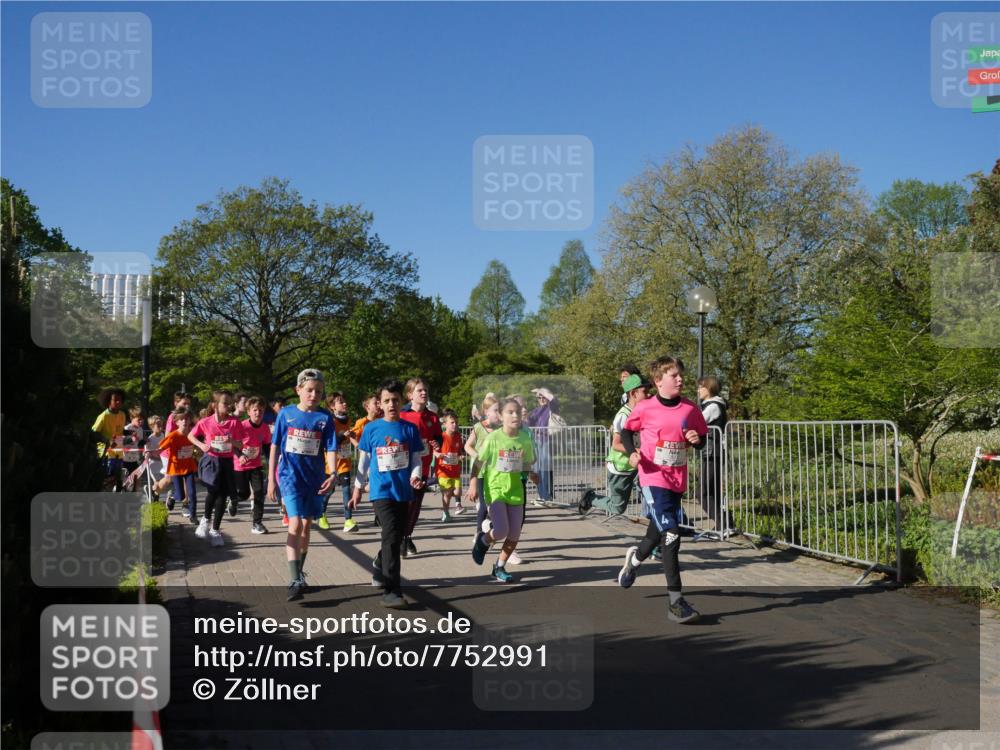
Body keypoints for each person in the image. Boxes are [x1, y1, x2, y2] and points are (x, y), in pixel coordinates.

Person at [616, 356, 708, 624]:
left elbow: (701, 438)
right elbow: (625, 432)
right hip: (652, 478)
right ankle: (676, 603)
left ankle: (634, 562)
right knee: (671, 534)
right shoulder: (645, 408)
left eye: (680, 375)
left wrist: (696, 440)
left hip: (676, 480)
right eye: (673, 375)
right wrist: (632, 453)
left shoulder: (690, 408)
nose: (680, 379)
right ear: (658, 381)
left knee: (654, 535)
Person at [349, 379, 424, 609]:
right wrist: (357, 488)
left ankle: (379, 564)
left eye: (395, 400)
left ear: (402, 401)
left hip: (403, 491)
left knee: (396, 537)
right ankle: (392, 591)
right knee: (391, 535)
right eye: (387, 400)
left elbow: (416, 459)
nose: (392, 404)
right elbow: (364, 461)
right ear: (380, 404)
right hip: (381, 491)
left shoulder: (409, 429)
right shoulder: (372, 429)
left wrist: (415, 475)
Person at [267, 370, 338, 601]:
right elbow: (274, 446)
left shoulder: (325, 418)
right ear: (298, 390)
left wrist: (333, 473)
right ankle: (294, 579)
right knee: (295, 523)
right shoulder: (286, 414)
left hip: (314, 480)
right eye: (309, 390)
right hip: (289, 477)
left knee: (306, 527)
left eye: (318, 391)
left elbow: (331, 448)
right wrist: (271, 480)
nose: (314, 395)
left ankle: (299, 573)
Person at [471, 398, 538, 583]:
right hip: (495, 489)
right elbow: (478, 461)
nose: (515, 415)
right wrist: (473, 483)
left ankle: (499, 567)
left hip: (515, 490)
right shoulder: (493, 438)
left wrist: (531, 474)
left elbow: (525, 463)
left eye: (518, 411)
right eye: (510, 412)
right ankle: (483, 541)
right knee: (501, 530)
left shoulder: (524, 439)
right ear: (500, 416)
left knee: (514, 534)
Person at [579, 374, 649, 517]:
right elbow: (616, 445)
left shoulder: (642, 412)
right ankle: (591, 498)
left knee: (653, 492)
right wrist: (639, 450)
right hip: (621, 467)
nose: (649, 395)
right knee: (617, 508)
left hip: (638, 465)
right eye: (645, 392)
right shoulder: (623, 415)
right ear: (633, 394)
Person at [188, 390, 246, 547]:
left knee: (222, 495)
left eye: (230, 403)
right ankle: (205, 520)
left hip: (227, 461)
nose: (229, 406)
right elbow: (191, 436)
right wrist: (201, 445)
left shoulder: (234, 422)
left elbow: (241, 444)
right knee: (213, 490)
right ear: (215, 405)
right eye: (225, 403)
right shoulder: (206, 422)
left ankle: (215, 530)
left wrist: (232, 441)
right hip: (211, 460)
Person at [399, 377, 442, 557]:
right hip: (402, 467)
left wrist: (437, 443)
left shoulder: (432, 417)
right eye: (419, 390)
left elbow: (438, 437)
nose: (424, 393)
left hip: (422, 467)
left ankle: (406, 536)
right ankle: (400, 537)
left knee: (415, 506)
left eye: (425, 390)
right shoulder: (402, 414)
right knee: (403, 505)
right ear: (410, 395)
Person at [464, 394, 501, 538]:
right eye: (495, 410)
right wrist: (477, 455)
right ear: (486, 411)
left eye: (500, 410)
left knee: (497, 503)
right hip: (480, 471)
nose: (498, 413)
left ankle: (490, 528)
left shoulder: (501, 429)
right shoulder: (478, 427)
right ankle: (479, 533)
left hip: (496, 472)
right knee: (484, 505)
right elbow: (467, 446)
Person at [319, 392, 357, 532]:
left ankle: (348, 520)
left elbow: (348, 437)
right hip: (331, 463)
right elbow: (328, 442)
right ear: (332, 406)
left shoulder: (348, 419)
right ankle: (321, 515)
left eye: (344, 401)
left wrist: (352, 435)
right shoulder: (330, 420)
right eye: (341, 402)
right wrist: (341, 437)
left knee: (347, 490)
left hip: (345, 461)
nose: (345, 404)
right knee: (329, 491)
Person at [235, 396, 272, 535]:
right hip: (240, 466)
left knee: (259, 493)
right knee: (244, 494)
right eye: (255, 410)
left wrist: (271, 462)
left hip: (256, 465)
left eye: (261, 410)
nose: (258, 413)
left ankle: (257, 523)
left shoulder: (265, 428)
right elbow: (233, 445)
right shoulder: (242, 426)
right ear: (249, 412)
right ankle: (233, 499)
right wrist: (240, 455)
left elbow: (267, 447)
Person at [697, 376, 729, 530]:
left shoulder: (713, 406)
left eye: (701, 387)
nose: (698, 390)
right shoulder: (713, 405)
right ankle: (725, 525)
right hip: (712, 452)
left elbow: (698, 423)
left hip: (712, 452)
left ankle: (722, 525)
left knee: (702, 493)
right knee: (712, 491)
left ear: (709, 388)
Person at [157, 409, 199, 521]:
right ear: (176, 422)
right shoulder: (173, 436)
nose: (184, 421)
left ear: (189, 420)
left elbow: (200, 443)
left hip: (189, 467)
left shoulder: (192, 434)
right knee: (180, 496)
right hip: (176, 468)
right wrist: (150, 453)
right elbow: (161, 448)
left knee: (192, 493)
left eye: (186, 418)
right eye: (181, 419)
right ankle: (172, 496)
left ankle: (193, 516)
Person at [525, 387, 561, 505]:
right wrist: (525, 416)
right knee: (537, 471)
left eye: (543, 397)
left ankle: (547, 497)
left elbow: (554, 401)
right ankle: (542, 496)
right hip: (536, 442)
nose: (541, 399)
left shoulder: (552, 408)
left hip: (546, 441)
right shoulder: (536, 410)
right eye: (539, 397)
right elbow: (528, 423)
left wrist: (543, 392)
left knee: (545, 470)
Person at [92, 387, 127, 491]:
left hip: (119, 452)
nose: (118, 402)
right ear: (108, 401)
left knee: (117, 478)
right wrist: (106, 441)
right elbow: (93, 433)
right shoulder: (103, 416)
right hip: (105, 453)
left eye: (120, 400)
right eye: (115, 400)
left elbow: (120, 431)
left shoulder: (122, 415)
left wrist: (130, 433)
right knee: (106, 478)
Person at [435, 409, 465, 521]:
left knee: (458, 492)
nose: (455, 424)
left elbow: (460, 450)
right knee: (447, 494)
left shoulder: (458, 436)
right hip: (443, 471)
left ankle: (447, 494)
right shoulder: (441, 437)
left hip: (455, 470)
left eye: (456, 422)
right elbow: (432, 450)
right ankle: (445, 512)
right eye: (452, 422)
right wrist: (437, 454)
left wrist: (461, 455)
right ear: (445, 424)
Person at [143, 416, 166, 502]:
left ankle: (152, 494)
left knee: (161, 484)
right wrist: (156, 457)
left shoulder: (163, 435)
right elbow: (147, 453)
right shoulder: (150, 439)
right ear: (152, 427)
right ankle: (153, 497)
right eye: (158, 425)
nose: (160, 427)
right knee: (156, 483)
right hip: (153, 464)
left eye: (161, 425)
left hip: (161, 464)